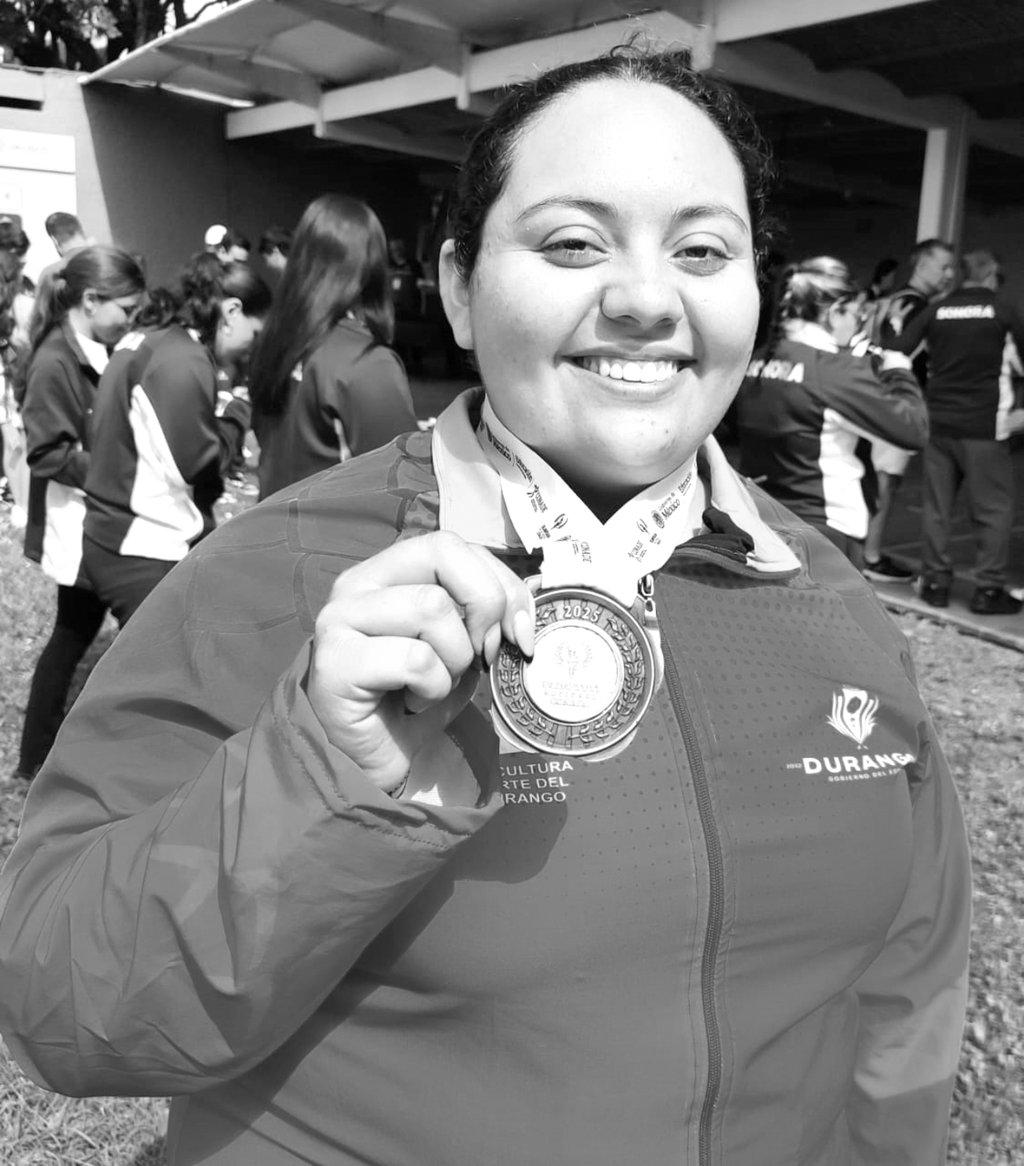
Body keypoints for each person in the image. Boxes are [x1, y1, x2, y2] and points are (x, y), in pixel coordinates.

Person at [0, 48, 970, 1166]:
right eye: (571, 242)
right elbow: (63, 1005)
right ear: (459, 285)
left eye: (703, 248)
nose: (647, 298)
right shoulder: (270, 577)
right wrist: (320, 777)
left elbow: (903, 996)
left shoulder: (830, 604)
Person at [12, 245, 145, 782]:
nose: (134, 322)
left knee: (72, 637)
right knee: (112, 631)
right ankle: (42, 756)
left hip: (98, 517)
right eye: (127, 310)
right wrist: (120, 468)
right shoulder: (53, 361)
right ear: (91, 300)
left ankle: (38, 757)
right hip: (78, 524)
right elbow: (46, 452)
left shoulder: (91, 346)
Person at [81, 256, 271, 625]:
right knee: (164, 676)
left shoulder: (154, 339)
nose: (255, 347)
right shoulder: (183, 358)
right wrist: (237, 414)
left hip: (111, 533)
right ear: (232, 311)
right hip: (146, 548)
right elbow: (198, 463)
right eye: (257, 333)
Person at [733, 256, 929, 569]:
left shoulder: (758, 359)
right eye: (855, 313)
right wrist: (900, 372)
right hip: (826, 532)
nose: (858, 323)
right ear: (834, 312)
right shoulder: (833, 372)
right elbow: (913, 431)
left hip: (763, 516)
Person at [249, 193, 416, 498]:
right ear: (372, 265)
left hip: (270, 530)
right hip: (332, 540)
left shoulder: (273, 344)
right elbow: (403, 483)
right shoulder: (365, 361)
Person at [895, 247, 1024, 613]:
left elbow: (899, 349)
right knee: (993, 512)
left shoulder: (937, 309)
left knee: (937, 509)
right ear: (990, 273)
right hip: (986, 428)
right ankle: (988, 590)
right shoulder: (1003, 311)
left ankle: (934, 583)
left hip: (939, 424)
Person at [862, 238, 955, 582]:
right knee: (885, 481)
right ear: (922, 265)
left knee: (877, 477)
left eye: (952, 268)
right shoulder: (917, 307)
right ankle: (868, 556)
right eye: (943, 266)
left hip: (877, 398)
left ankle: (863, 552)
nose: (949, 274)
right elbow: (897, 352)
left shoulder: (896, 300)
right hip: (895, 403)